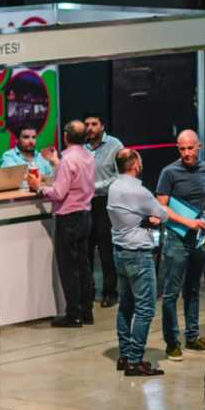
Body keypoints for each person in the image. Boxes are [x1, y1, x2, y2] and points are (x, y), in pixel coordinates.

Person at [156, 129, 205, 361]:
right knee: (171, 292)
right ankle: (172, 342)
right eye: (182, 149)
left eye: (190, 148)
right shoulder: (169, 172)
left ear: (198, 146)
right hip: (177, 237)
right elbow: (161, 206)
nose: (186, 153)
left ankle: (192, 336)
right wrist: (187, 222)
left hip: (198, 237)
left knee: (193, 289)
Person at [26, 120, 95, 328]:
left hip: (69, 218)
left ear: (66, 136)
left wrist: (39, 187)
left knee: (68, 267)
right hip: (85, 215)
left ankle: (72, 314)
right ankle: (86, 310)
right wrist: (56, 163)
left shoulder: (68, 160)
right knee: (83, 265)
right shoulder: (88, 156)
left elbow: (58, 193)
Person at [106, 149, 167, 376]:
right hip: (139, 255)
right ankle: (134, 360)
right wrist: (150, 219)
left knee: (126, 306)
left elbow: (131, 216)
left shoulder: (114, 187)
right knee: (145, 309)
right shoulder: (139, 191)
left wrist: (143, 220)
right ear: (136, 165)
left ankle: (125, 355)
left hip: (120, 252)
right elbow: (163, 213)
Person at [84, 112, 125, 309]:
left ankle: (110, 292)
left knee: (106, 250)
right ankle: (88, 291)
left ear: (102, 126)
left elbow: (120, 175)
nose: (90, 128)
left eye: (94, 124)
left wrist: (96, 186)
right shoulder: (81, 147)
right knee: (87, 250)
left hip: (105, 202)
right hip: (85, 204)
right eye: (87, 124)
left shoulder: (115, 145)